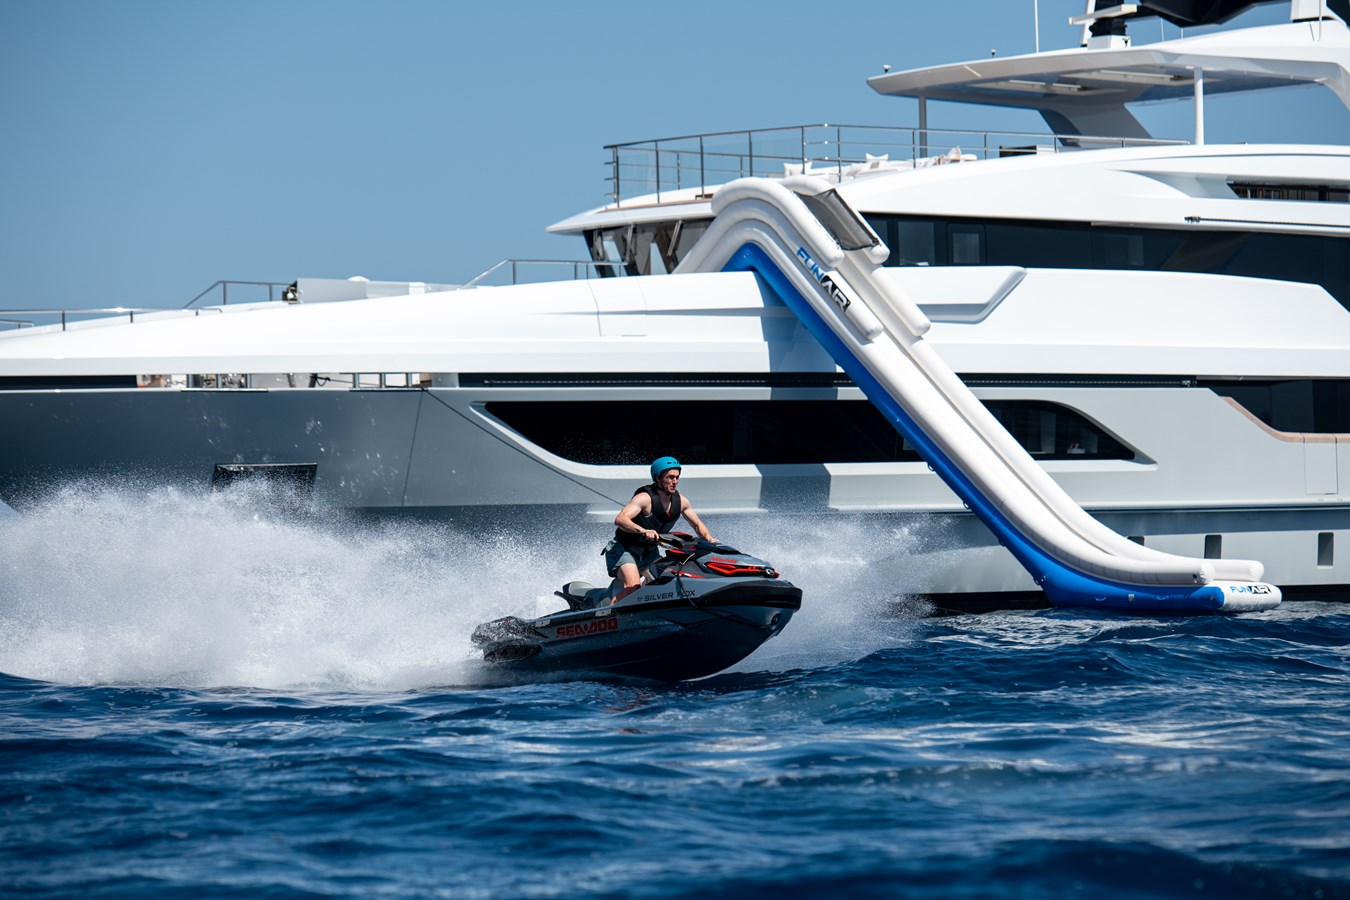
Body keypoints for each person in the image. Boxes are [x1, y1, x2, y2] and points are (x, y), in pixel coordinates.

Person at [604, 456, 713, 604]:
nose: (675, 481)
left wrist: (709, 540)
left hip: (649, 553)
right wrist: (643, 531)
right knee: (633, 587)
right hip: (624, 549)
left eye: (677, 477)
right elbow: (620, 519)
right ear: (658, 478)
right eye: (670, 477)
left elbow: (697, 525)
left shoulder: (681, 501)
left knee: (667, 580)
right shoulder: (644, 498)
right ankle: (606, 613)